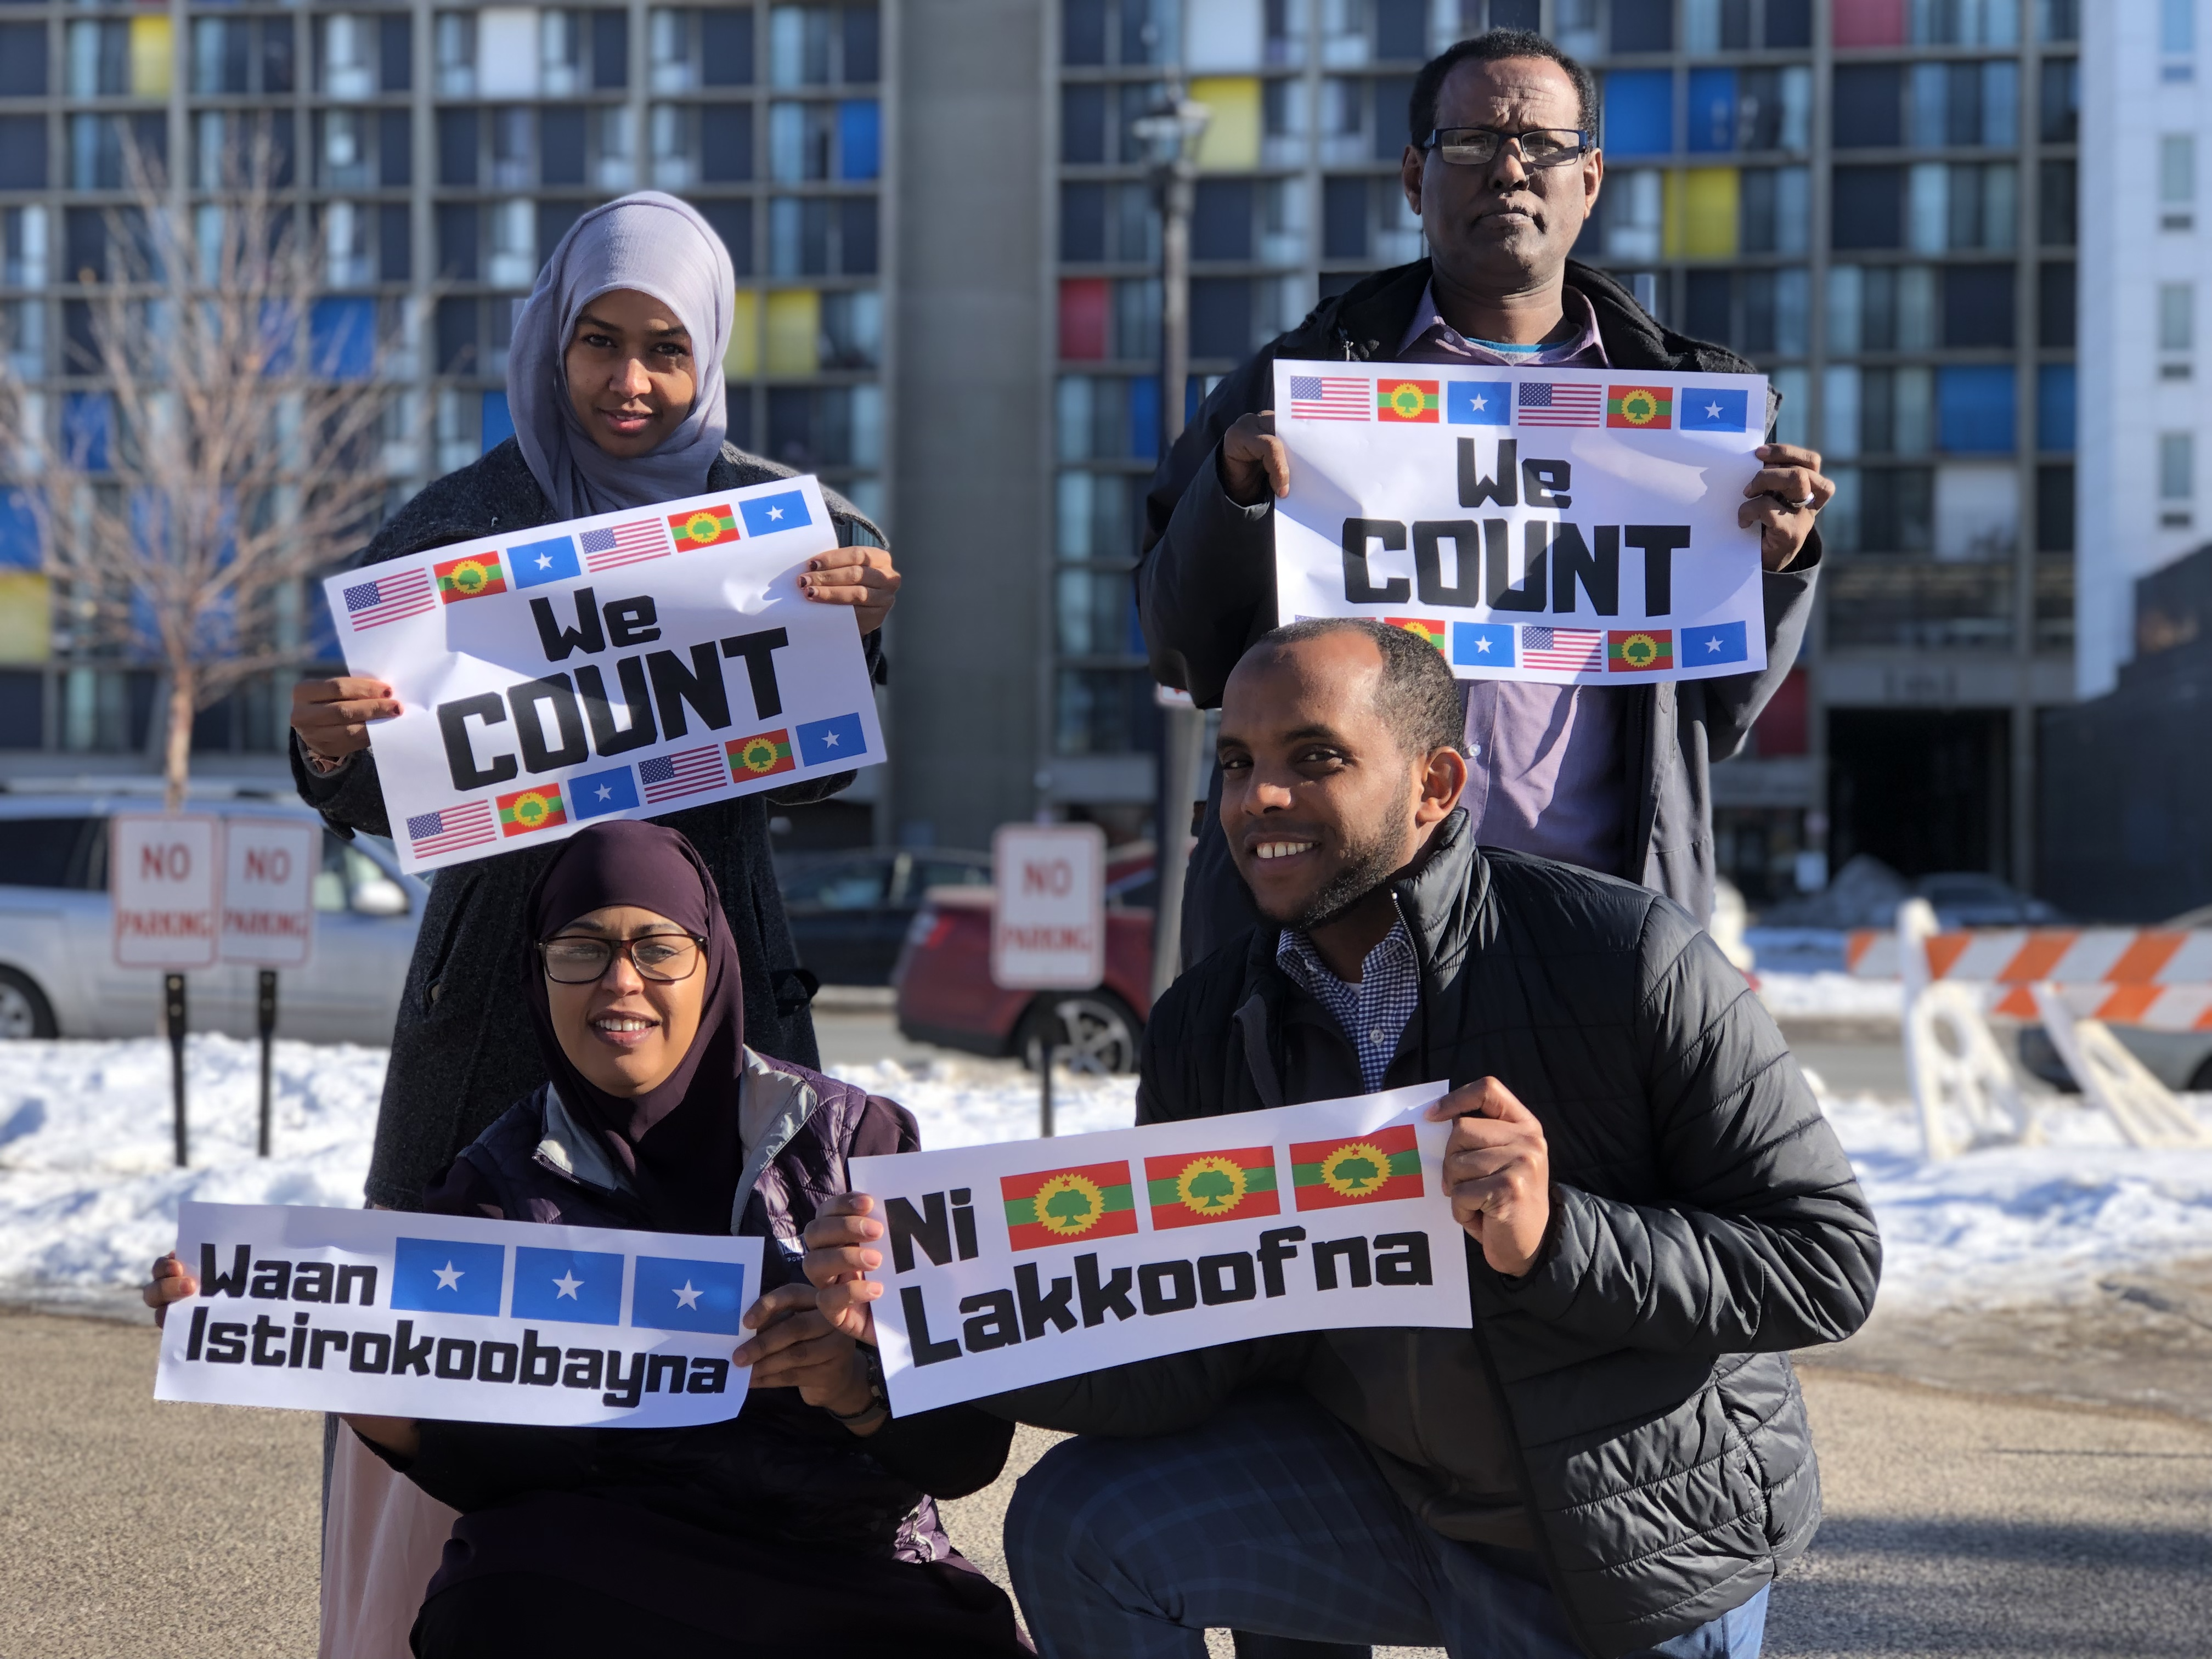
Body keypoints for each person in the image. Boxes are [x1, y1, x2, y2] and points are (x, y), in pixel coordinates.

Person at [803, 620, 1881, 1659]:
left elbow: (1824, 1264)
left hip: (1617, 1527)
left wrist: (1555, 1238)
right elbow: (1182, 1358)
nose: (1258, 798)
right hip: (1383, 1502)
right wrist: (932, 1315)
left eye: (1313, 757)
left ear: (1436, 786)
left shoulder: (1624, 954)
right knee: (1083, 1524)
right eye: (1235, 762)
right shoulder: (1209, 1017)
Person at [148, 821, 1030, 1658]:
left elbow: (968, 1454)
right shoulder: (493, 1190)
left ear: (712, 960)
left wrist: (856, 1383)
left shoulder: (854, 1146)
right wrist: (336, 1371)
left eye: (657, 947)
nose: (620, 983)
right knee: (499, 1594)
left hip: (854, 1571)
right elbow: (504, 1479)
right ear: (537, 975)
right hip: (613, 1575)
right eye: (582, 951)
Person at [1138, 30, 1835, 966]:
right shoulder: (1296, 385)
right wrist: (1231, 499)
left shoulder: (1688, 421)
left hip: (1595, 932)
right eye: (1472, 143)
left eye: (1543, 145)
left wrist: (1777, 566)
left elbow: (1718, 713)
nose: (1511, 167)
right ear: (1413, 176)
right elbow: (1183, 647)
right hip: (1345, 929)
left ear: (1590, 178)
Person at [288, 190, 901, 1215]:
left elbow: (817, 774)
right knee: (472, 1324)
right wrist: (332, 752)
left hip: (714, 983)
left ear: (709, 352)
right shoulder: (446, 535)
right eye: (598, 342)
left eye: (667, 349)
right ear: (551, 340)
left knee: (733, 1325)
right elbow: (391, 800)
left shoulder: (797, 535)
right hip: (493, 998)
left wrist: (857, 645)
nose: (630, 381)